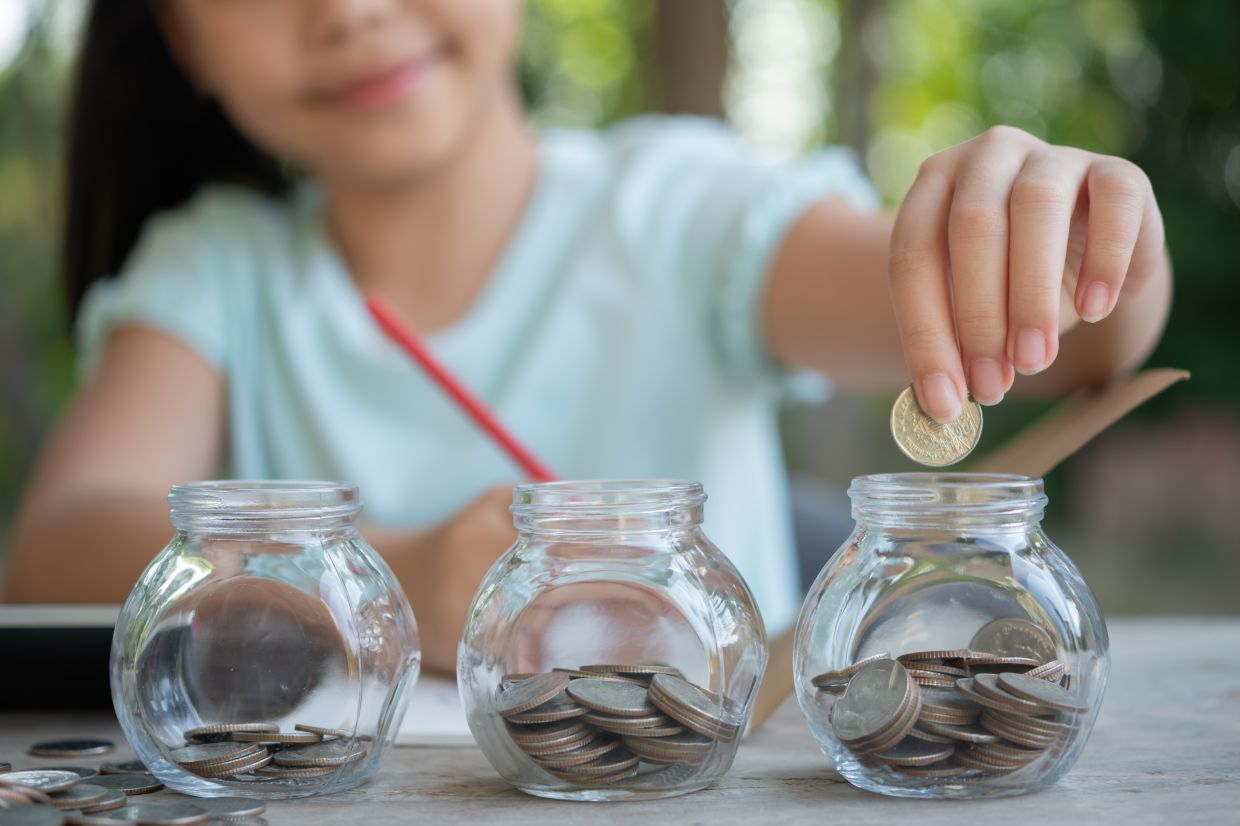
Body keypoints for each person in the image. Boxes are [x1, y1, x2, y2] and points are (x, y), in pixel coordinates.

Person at [2, 0, 1172, 675]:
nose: (347, 11)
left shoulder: (684, 209)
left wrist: (1074, 237)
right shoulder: (220, 268)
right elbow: (52, 550)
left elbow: (1077, 341)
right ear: (179, 35)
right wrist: (394, 581)